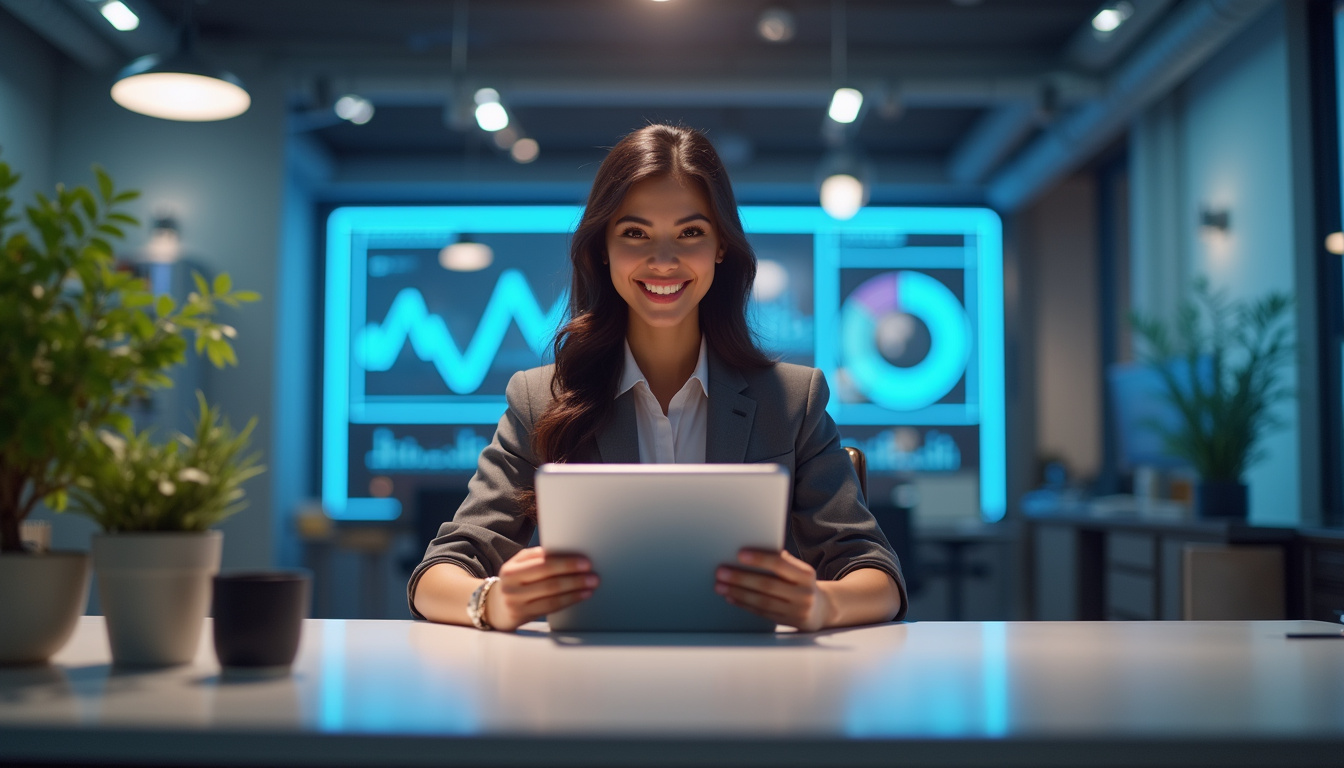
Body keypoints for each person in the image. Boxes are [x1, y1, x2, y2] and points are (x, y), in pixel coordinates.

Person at [408, 124, 907, 632]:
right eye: (635, 233)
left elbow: (876, 576)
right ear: (602, 247)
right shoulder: (540, 399)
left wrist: (822, 604)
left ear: (720, 247)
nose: (663, 261)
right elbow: (439, 572)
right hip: (584, 688)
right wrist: (492, 601)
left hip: (752, 685)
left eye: (690, 232)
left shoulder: (794, 400)